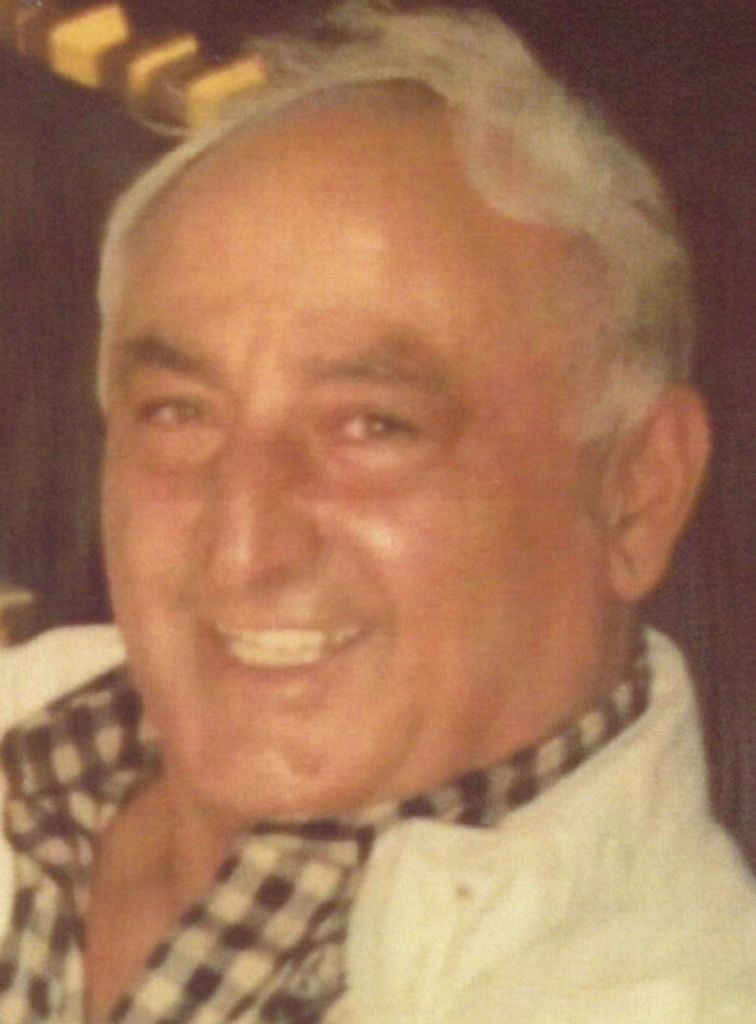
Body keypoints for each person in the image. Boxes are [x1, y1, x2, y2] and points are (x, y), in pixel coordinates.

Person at [0, 3, 754, 1021]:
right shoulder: (38, 733)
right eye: (179, 412)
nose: (241, 549)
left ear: (636, 493)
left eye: (372, 427)